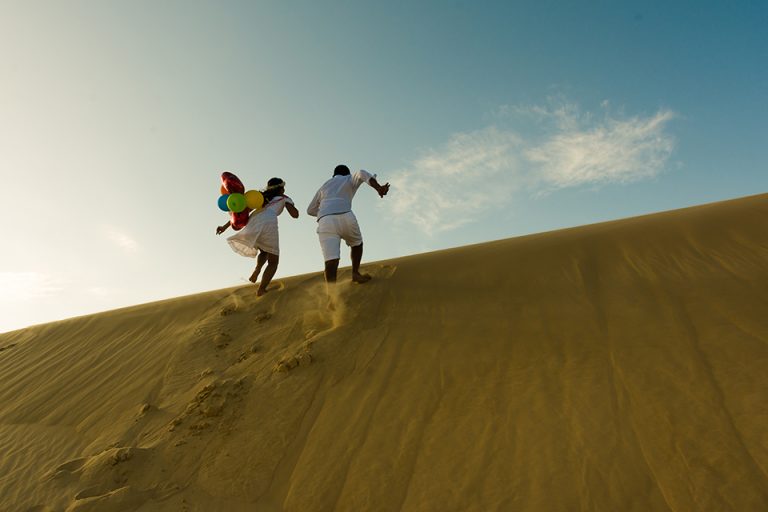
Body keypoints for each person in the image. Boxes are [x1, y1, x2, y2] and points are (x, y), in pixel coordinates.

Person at [306, 164, 389, 284]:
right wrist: (379, 188)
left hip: (325, 221)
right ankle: (355, 273)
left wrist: (325, 211)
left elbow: (310, 210)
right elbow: (361, 173)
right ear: (347, 173)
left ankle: (332, 295)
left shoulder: (324, 186)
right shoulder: (348, 179)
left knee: (331, 261)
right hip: (345, 215)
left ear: (334, 175)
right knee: (357, 244)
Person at [216, 177, 299, 296]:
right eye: (283, 188)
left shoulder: (261, 198)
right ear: (281, 189)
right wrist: (291, 205)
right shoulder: (284, 198)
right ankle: (261, 289)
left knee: (264, 250)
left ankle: (257, 270)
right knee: (273, 261)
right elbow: (295, 215)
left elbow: (242, 211)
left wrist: (224, 227)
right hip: (268, 221)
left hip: (254, 220)